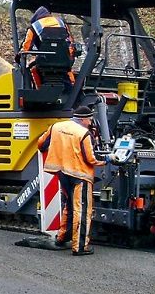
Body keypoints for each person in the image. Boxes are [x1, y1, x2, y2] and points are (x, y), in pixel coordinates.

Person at [37, 106, 107, 255]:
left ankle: (62, 238)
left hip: (62, 173)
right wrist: (108, 159)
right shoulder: (84, 133)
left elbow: (41, 144)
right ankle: (80, 247)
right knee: (81, 210)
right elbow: (91, 159)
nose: (90, 123)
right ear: (83, 119)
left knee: (69, 206)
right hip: (80, 176)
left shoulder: (57, 126)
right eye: (89, 120)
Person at [20, 6, 77, 92]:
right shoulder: (61, 22)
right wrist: (70, 57)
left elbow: (26, 48)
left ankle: (40, 92)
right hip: (64, 60)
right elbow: (70, 42)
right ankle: (72, 91)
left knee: (33, 69)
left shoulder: (34, 26)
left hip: (45, 61)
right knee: (67, 71)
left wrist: (19, 58)